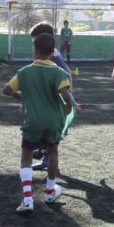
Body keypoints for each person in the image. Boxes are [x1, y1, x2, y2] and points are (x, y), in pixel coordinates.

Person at [3, 33, 80, 213]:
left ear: (35, 51)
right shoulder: (60, 73)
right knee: (52, 152)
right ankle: (50, 191)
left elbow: (6, 90)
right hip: (53, 121)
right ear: (53, 52)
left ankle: (27, 198)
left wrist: (19, 95)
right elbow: (66, 96)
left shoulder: (24, 72)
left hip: (33, 121)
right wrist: (69, 107)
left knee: (26, 154)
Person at [28, 22, 72, 171]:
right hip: (51, 96)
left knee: (49, 129)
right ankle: (42, 151)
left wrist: (66, 94)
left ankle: (47, 158)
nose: (33, 44)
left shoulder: (52, 56)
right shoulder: (52, 52)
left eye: (34, 40)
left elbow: (66, 74)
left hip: (55, 97)